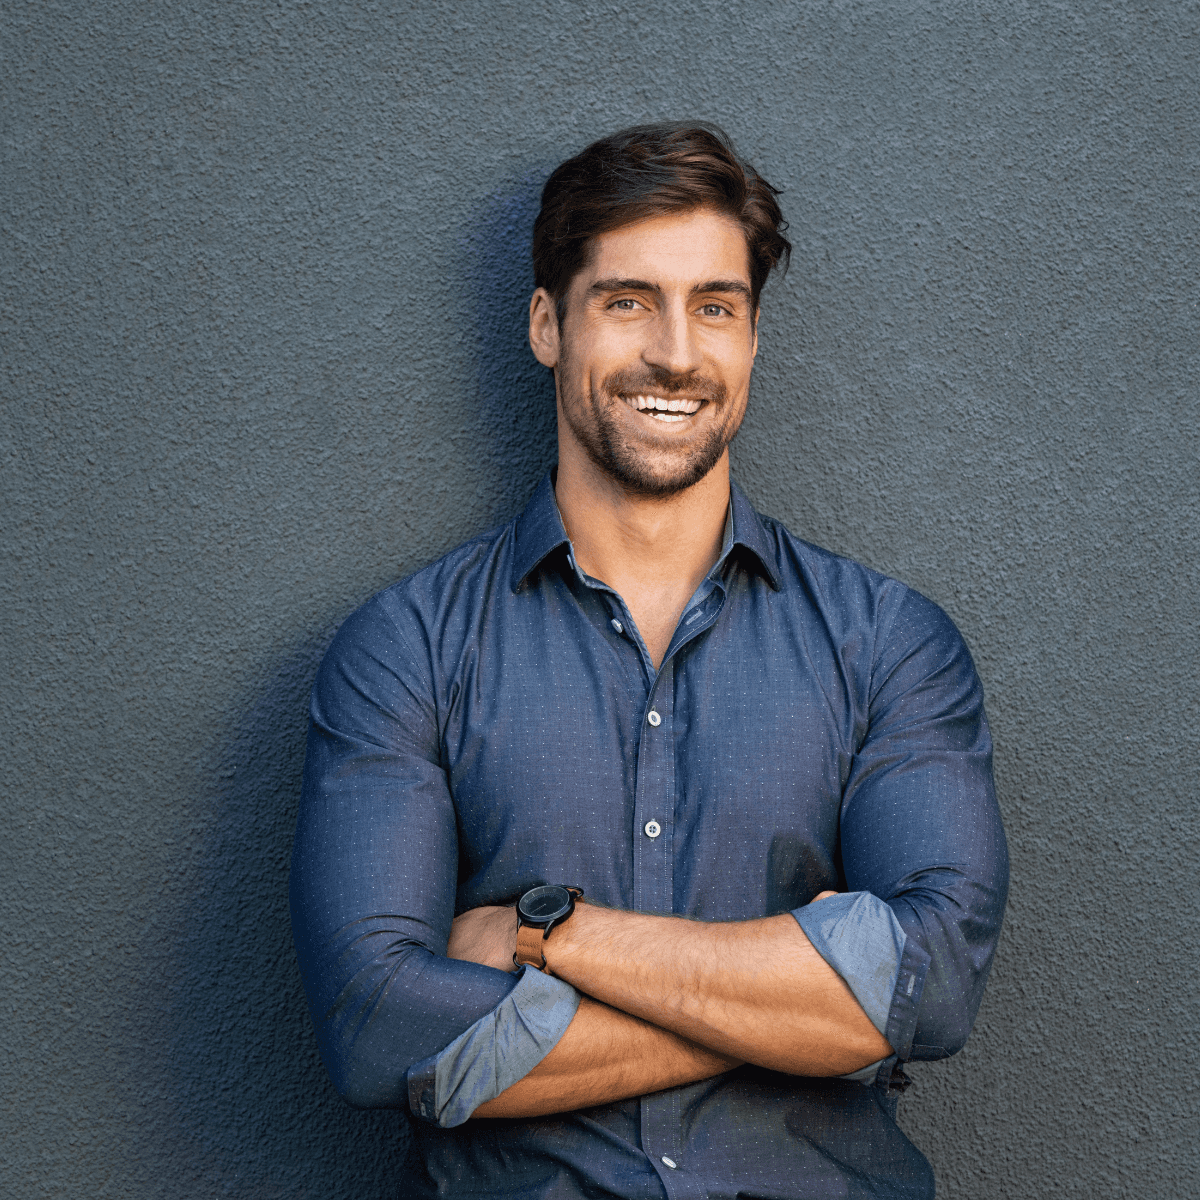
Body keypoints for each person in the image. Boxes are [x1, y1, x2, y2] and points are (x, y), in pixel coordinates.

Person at [290, 122, 1009, 1200]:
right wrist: (815, 1009)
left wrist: (551, 937)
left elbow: (935, 981)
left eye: (715, 306)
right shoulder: (407, 648)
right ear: (548, 324)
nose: (677, 350)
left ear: (754, 338)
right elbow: (378, 1028)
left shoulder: (890, 645)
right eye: (629, 300)